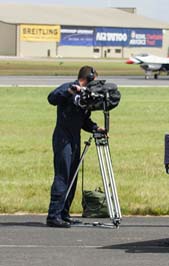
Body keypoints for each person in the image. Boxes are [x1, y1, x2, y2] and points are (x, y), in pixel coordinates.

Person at [46, 66, 105, 228]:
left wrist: (95, 128)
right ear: (90, 77)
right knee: (62, 176)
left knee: (72, 177)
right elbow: (51, 98)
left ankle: (64, 213)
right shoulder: (68, 88)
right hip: (63, 139)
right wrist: (70, 92)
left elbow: (84, 121)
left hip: (75, 139)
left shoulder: (84, 95)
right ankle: (54, 215)